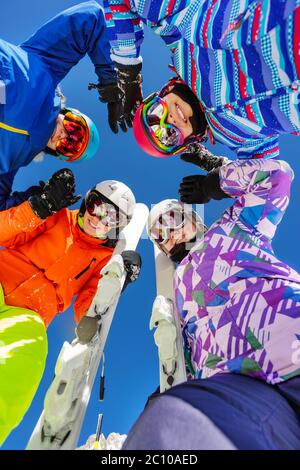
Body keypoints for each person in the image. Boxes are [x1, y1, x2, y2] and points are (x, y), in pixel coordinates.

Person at [122, 155, 300, 450]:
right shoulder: (175, 292)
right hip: (241, 392)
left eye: (173, 219)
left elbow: (278, 177)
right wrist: (167, 388)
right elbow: (189, 353)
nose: (170, 232)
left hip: (291, 342)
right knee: (170, 426)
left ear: (193, 217)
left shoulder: (236, 228)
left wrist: (216, 181)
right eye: (160, 234)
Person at [0, 168, 141, 446]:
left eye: (110, 217)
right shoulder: (57, 217)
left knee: (28, 352)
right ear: (87, 200)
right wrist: (39, 207)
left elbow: (87, 310)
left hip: (29, 314)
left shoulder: (101, 259)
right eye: (95, 205)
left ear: (116, 228)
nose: (96, 217)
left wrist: (116, 280)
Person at [103, 0, 300, 159]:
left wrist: (128, 73)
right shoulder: (239, 141)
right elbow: (269, 177)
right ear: (187, 141)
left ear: (163, 93)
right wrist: (218, 176)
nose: (168, 121)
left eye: (155, 113)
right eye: (169, 136)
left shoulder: (180, 44)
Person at [0, 1, 131, 211]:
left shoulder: (14, 162)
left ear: (59, 154)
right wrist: (111, 84)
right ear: (70, 114)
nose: (64, 138)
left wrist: (42, 200)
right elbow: (92, 17)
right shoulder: (47, 66)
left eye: (70, 147)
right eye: (75, 131)